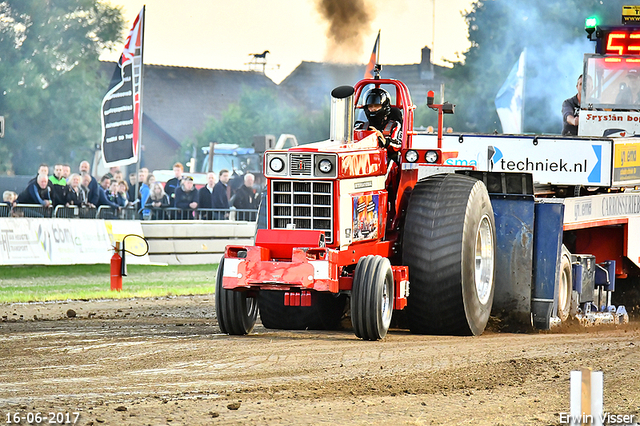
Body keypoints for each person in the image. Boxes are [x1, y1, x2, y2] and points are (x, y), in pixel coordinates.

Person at [355, 87, 402, 158]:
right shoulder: (361, 127)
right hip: (365, 161)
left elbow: (398, 145)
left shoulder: (394, 125)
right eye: (370, 106)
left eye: (376, 106)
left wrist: (383, 140)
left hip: (387, 160)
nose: (373, 109)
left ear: (384, 107)